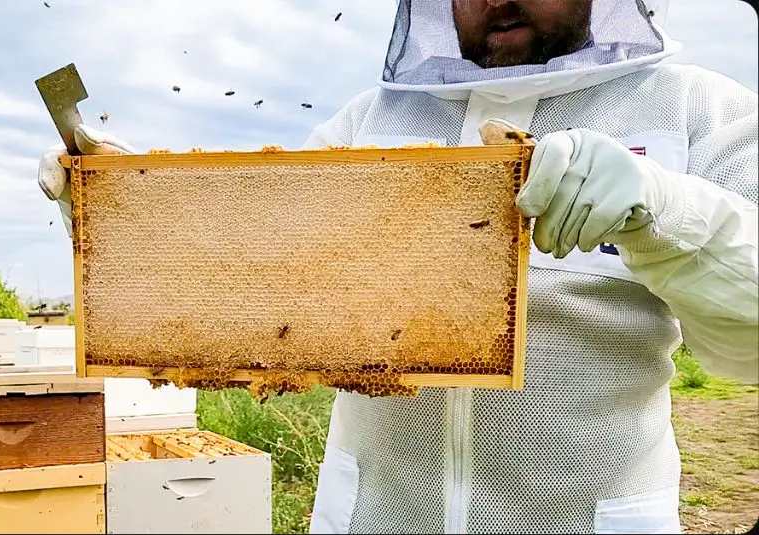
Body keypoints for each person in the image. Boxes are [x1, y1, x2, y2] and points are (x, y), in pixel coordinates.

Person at [37, 0, 758, 531]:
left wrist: (666, 209)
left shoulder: (696, 107)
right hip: (373, 514)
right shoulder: (368, 121)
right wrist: (133, 213)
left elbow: (747, 346)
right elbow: (259, 277)